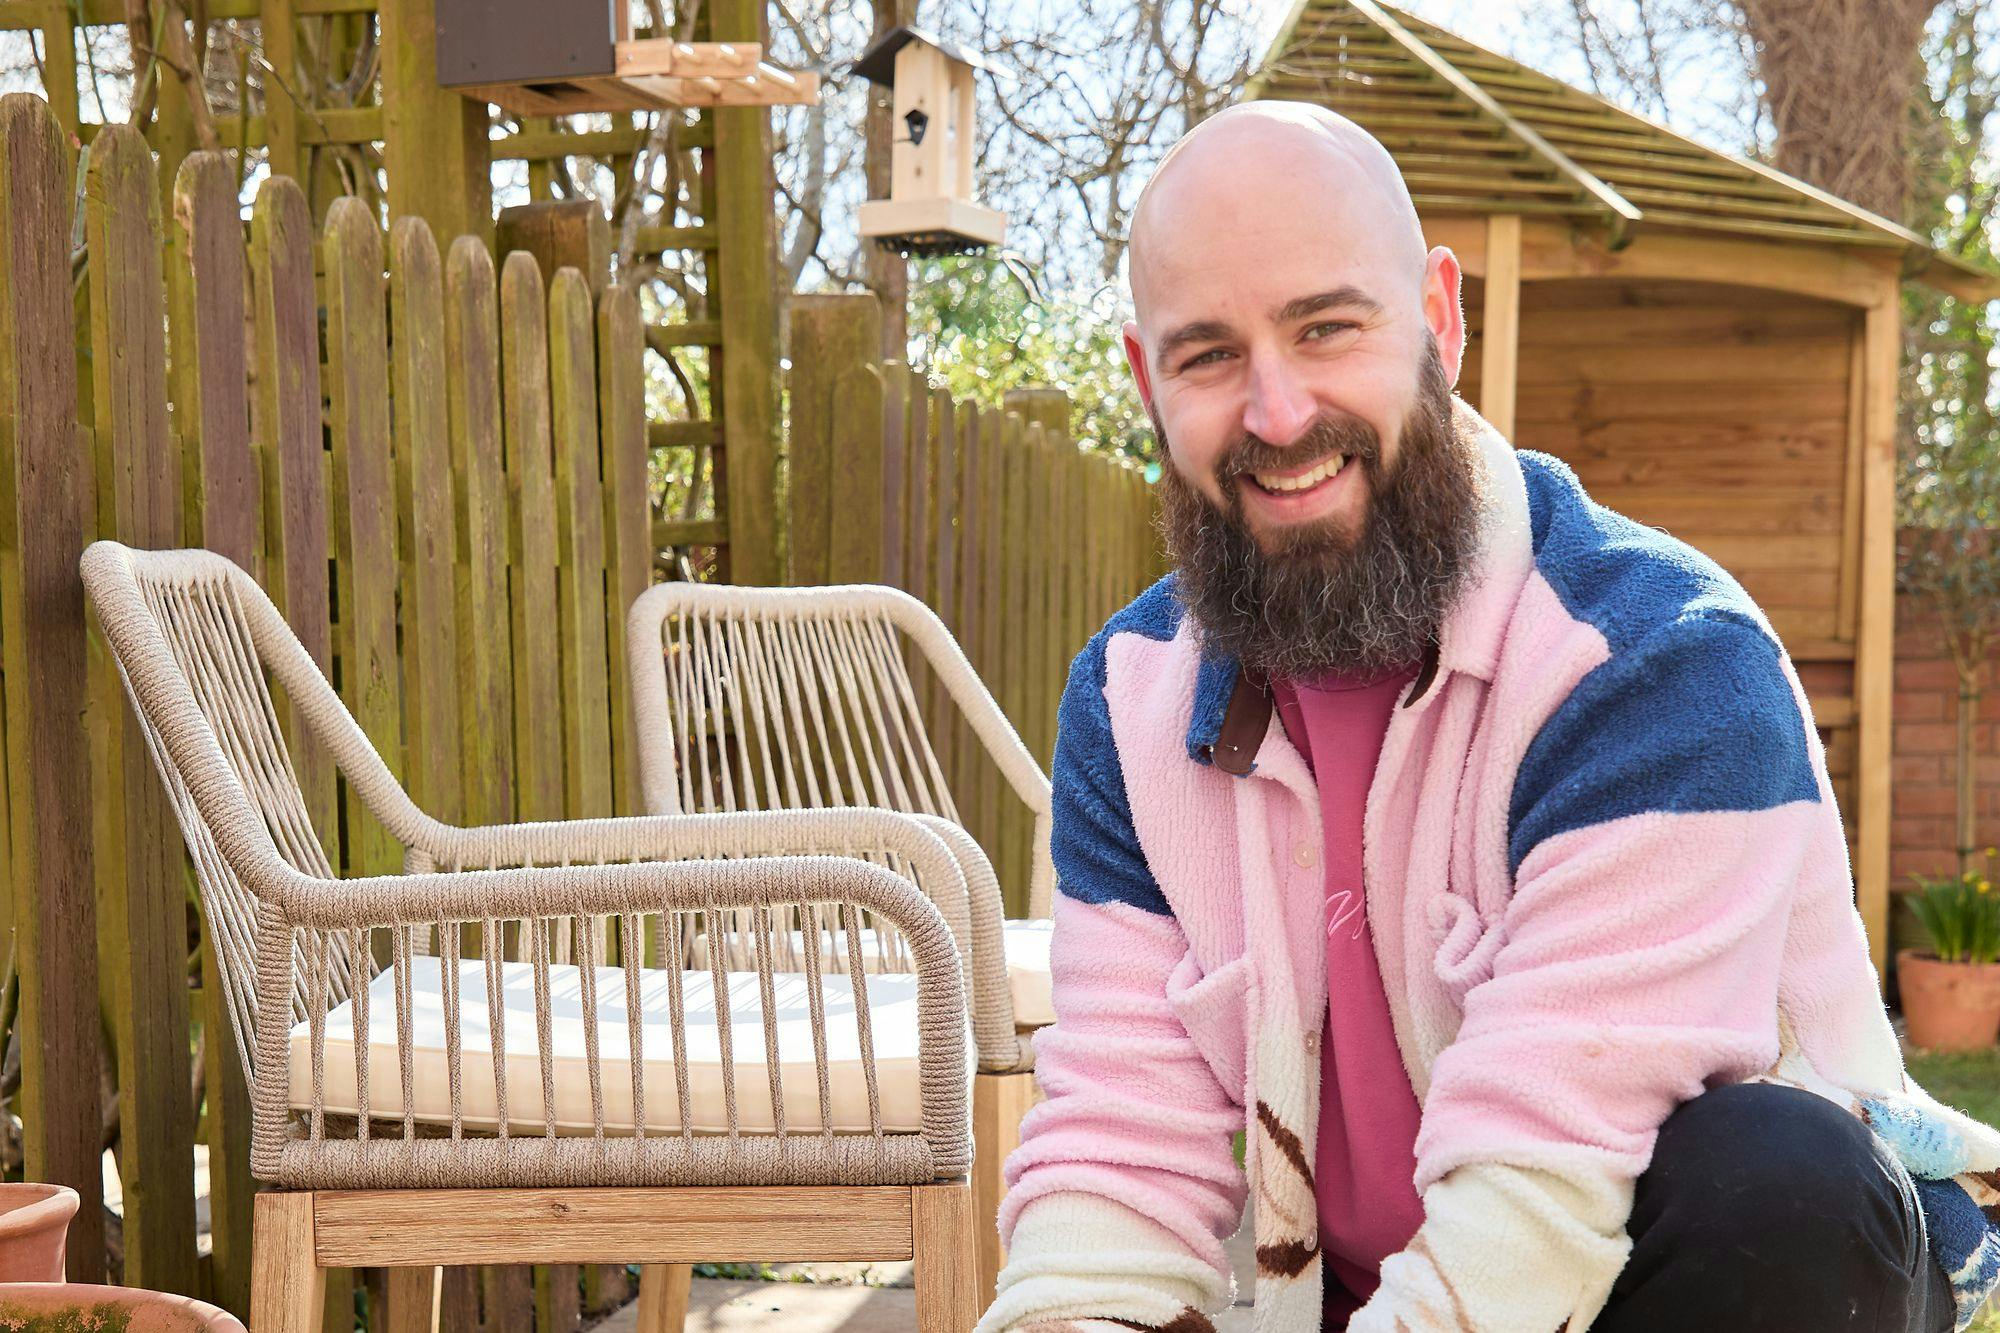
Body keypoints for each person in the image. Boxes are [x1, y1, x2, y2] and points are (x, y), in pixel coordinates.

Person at [974, 102, 2000, 1333]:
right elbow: (1113, 1163)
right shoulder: (1127, 701)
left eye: (1326, 328)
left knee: (1773, 1174)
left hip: (1712, 1275)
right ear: (1147, 382)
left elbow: (1537, 1186)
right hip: (1401, 1296)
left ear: (1437, 322)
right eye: (1206, 356)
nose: (1278, 412)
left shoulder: (1661, 664)